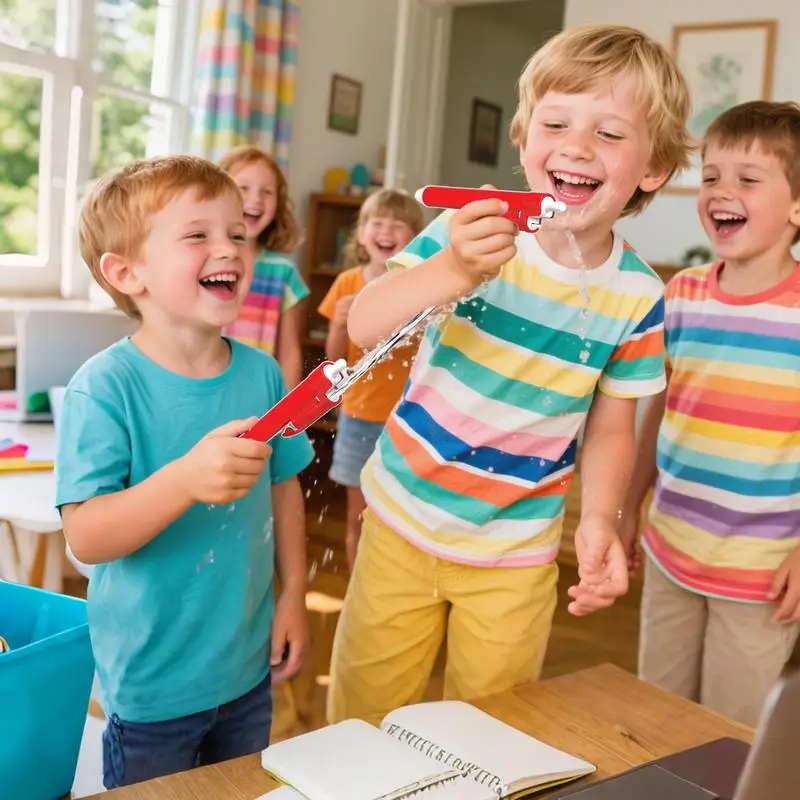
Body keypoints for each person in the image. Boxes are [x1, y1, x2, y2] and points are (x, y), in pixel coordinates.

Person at [326, 23, 692, 724]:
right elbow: (365, 325)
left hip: (518, 552)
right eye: (556, 123)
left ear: (653, 170)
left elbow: (614, 425)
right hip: (402, 521)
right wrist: (454, 270)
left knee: (487, 731)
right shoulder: (467, 233)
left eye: (610, 134)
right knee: (361, 723)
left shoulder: (640, 296)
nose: (578, 146)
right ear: (525, 143)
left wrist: (603, 522)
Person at [56, 155, 314, 788]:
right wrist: (182, 480)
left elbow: (284, 494)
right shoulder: (105, 388)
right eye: (198, 234)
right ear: (126, 272)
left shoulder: (261, 375)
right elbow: (87, 538)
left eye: (235, 232)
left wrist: (295, 597)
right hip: (151, 689)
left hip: (247, 669)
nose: (228, 247)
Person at [619, 100, 800, 727]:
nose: (722, 191)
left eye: (748, 179)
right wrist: (625, 510)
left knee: (731, 736)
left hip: (762, 576)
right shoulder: (683, 294)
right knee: (656, 720)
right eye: (713, 175)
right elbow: (660, 413)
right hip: (671, 549)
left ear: (798, 207)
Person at [318, 189, 424, 570]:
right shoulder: (347, 283)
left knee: (404, 516)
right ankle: (357, 596)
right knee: (357, 516)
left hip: (409, 418)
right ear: (362, 235)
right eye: (377, 223)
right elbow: (333, 360)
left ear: (414, 237)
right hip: (358, 416)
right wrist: (339, 323)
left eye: (398, 225)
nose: (386, 231)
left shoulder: (419, 284)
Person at [219, 145, 308, 388]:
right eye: (243, 188)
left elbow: (289, 351)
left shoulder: (284, 273)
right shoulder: (204, 265)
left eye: (267, 192)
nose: (255, 200)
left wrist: (288, 413)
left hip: (260, 395)